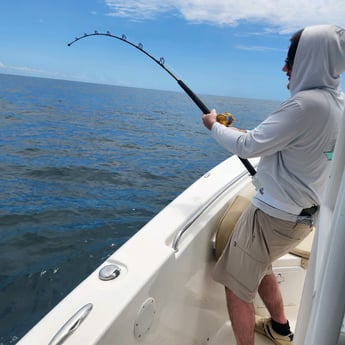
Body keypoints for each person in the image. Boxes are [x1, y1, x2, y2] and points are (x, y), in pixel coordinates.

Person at [202, 24, 345, 345]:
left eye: (290, 61)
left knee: (236, 286)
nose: (284, 68)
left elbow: (248, 148)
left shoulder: (303, 105)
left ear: (310, 60)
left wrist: (212, 126)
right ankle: (280, 328)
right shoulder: (337, 104)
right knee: (260, 265)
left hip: (273, 217)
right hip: (302, 216)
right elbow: (268, 140)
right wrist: (243, 134)